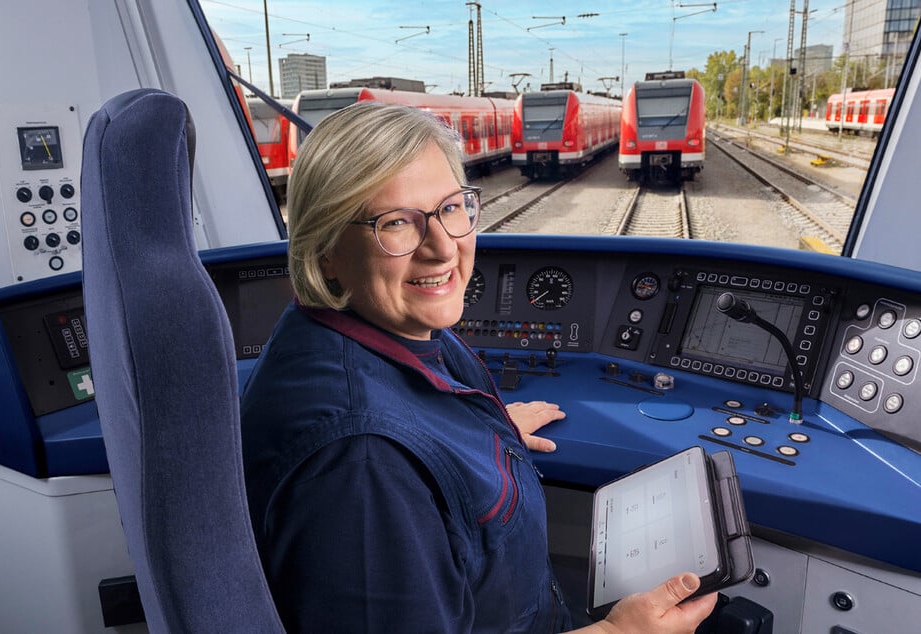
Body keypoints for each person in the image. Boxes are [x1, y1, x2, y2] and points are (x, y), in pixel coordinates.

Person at [240, 100, 718, 633]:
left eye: (451, 207)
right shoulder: (361, 464)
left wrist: (475, 433)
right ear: (324, 249)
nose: (443, 248)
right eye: (396, 223)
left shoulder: (359, 328)